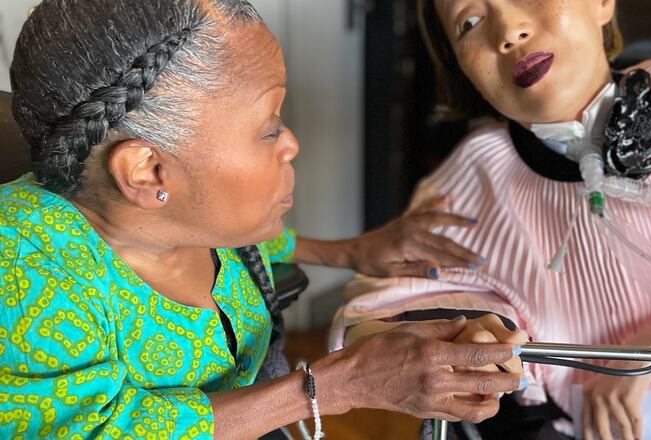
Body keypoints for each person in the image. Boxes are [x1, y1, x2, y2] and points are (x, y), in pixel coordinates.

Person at [0, 0, 530, 438]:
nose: (291, 143)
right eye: (269, 127)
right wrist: (339, 385)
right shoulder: (22, 270)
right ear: (147, 171)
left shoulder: (191, 222)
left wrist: (350, 252)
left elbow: (255, 249)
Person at [332, 1, 651, 439]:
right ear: (463, 69)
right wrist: (470, 337)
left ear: (603, 3)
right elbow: (372, 319)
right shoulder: (476, 177)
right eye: (469, 22)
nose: (508, 32)